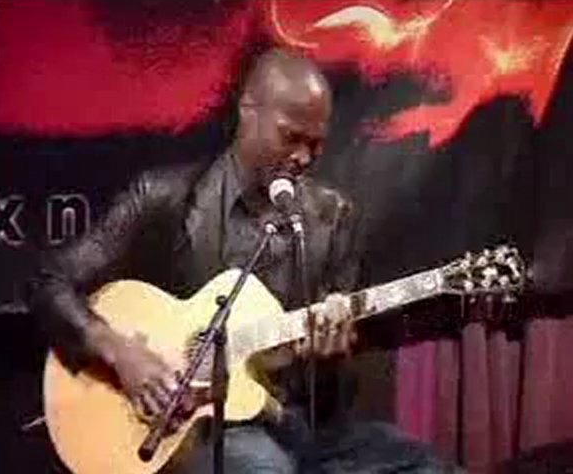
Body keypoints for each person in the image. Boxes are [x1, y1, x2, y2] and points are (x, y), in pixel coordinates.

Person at [29, 49, 457, 473]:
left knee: (425, 465)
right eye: (291, 137)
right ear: (248, 112)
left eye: (315, 145)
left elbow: (332, 401)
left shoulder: (332, 218)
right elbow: (48, 282)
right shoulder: (165, 197)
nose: (303, 158)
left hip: (295, 425)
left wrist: (329, 356)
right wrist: (121, 353)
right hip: (192, 428)